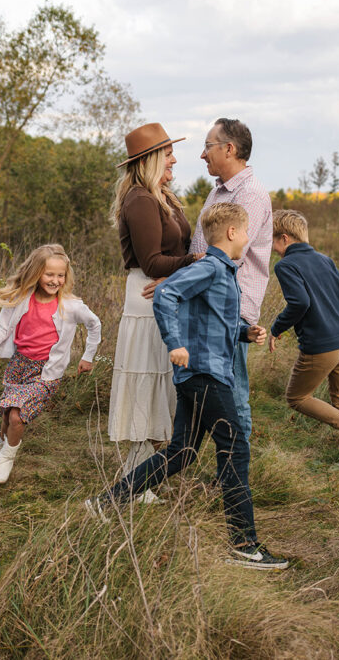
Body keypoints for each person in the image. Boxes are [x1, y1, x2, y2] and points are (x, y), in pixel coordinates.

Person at [87, 202, 290, 570]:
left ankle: (106, 502)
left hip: (203, 372)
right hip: (203, 374)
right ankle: (244, 545)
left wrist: (246, 333)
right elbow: (167, 295)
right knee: (235, 447)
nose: (248, 238)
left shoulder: (223, 271)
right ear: (231, 233)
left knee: (182, 452)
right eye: (245, 232)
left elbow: (214, 321)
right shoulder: (211, 267)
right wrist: (175, 343)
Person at [107, 122, 201, 503]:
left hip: (163, 296)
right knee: (147, 380)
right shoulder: (140, 200)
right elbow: (152, 261)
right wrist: (197, 261)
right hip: (146, 299)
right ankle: (134, 477)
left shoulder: (160, 195)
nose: (174, 159)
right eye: (167, 153)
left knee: (158, 380)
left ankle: (138, 475)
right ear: (150, 160)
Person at [266, 210, 339, 481]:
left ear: (284, 238)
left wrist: (277, 327)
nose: (271, 247)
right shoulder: (324, 259)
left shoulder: (286, 265)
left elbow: (300, 303)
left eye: (272, 240)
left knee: (297, 398)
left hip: (321, 345)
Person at [0, 244, 102, 484]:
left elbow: (94, 325)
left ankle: (6, 461)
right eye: (49, 274)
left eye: (60, 275)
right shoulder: (22, 299)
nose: (55, 280)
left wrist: (88, 356)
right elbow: (1, 328)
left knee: (16, 417)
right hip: (18, 367)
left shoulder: (71, 306)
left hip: (46, 374)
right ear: (36, 273)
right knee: (6, 416)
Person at [185, 118, 272, 445]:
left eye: (208, 146)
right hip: (209, 303)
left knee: (232, 393)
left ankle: (238, 476)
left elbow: (226, 257)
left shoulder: (249, 194)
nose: (203, 155)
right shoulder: (219, 191)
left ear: (229, 149)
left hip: (228, 308)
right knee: (205, 389)